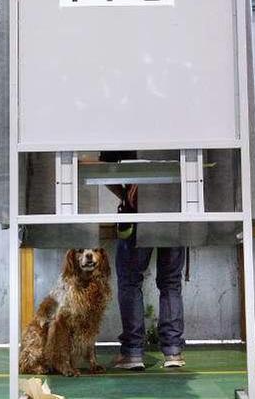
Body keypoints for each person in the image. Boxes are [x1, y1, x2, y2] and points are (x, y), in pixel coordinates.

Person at [101, 151, 186, 371]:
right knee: (170, 282)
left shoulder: (125, 126)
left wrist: (125, 192)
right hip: (175, 206)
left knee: (130, 281)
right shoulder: (180, 122)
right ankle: (173, 351)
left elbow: (104, 167)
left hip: (138, 209)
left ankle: (133, 353)